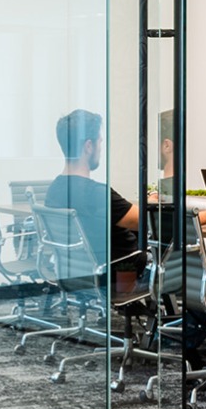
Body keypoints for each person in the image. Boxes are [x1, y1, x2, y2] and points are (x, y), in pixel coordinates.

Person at [45, 109, 146, 295]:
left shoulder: (54, 189)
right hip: (111, 275)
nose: (101, 148)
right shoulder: (95, 193)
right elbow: (145, 222)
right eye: (100, 142)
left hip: (74, 274)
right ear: (88, 146)